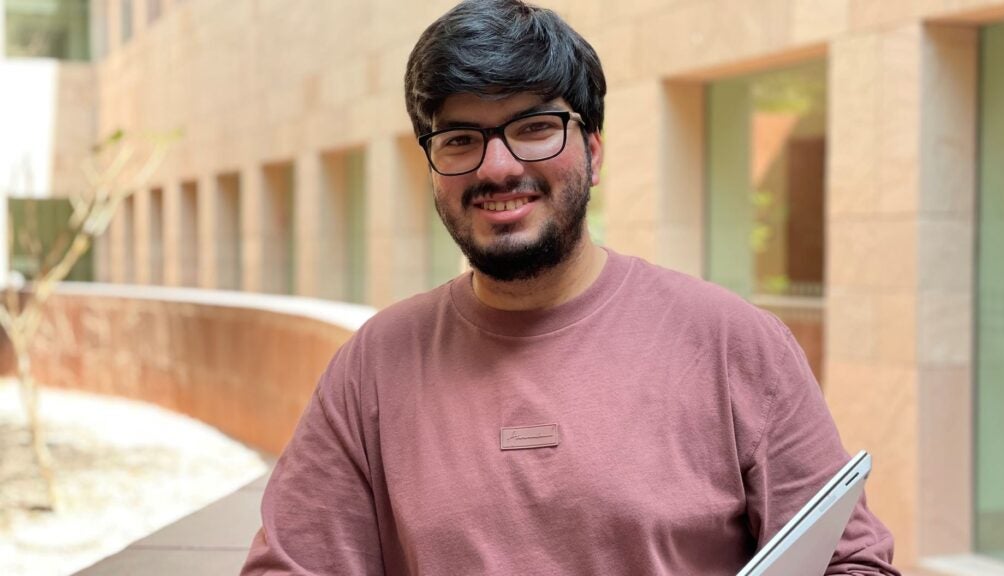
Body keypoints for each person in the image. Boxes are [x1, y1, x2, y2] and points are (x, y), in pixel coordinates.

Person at [241, 1, 900, 574]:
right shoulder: (373, 367)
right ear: (433, 166)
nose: (498, 167)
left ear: (594, 150)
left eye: (533, 128)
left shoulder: (732, 343)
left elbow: (852, 562)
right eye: (461, 138)